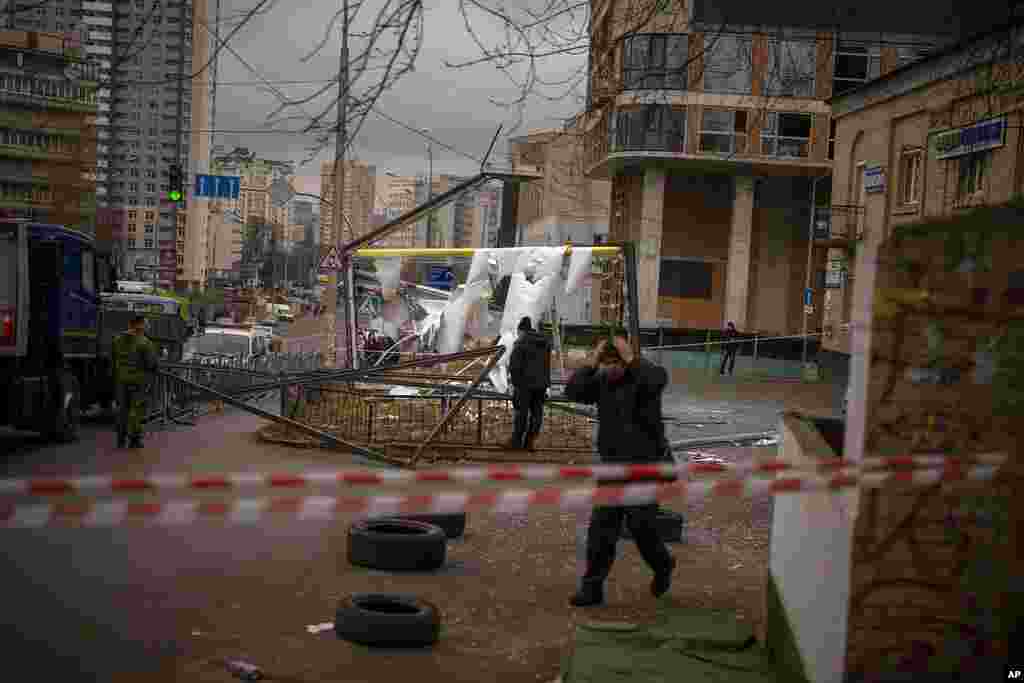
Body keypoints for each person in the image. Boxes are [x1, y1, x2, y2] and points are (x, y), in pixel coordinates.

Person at [564, 330, 675, 607]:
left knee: (642, 528)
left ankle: (663, 565)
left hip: (644, 466)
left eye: (616, 362)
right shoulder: (601, 381)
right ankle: (592, 588)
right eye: (606, 363)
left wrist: (630, 356)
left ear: (627, 359)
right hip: (613, 467)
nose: (610, 369)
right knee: (601, 530)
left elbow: (656, 381)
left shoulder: (646, 376)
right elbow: (573, 391)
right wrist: (591, 362)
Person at [112, 314, 160, 448]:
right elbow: (152, 363)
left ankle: (120, 439)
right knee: (137, 409)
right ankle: (134, 439)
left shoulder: (117, 339)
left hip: (121, 379)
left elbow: (112, 358)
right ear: (138, 325)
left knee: (122, 409)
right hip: (139, 381)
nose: (147, 327)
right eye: (146, 324)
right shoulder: (144, 342)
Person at [506, 316, 552, 450]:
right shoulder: (545, 343)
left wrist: (514, 383)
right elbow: (547, 364)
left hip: (524, 385)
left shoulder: (520, 343)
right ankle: (530, 442)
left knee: (521, 414)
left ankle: (516, 442)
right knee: (537, 413)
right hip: (541, 385)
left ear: (521, 330)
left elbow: (514, 366)